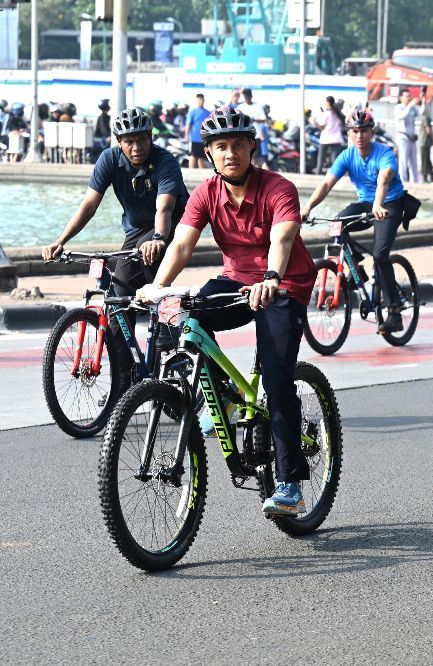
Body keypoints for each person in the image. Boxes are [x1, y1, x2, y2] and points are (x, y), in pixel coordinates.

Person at [140, 107, 317, 517]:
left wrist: (272, 276)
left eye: (239, 145)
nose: (231, 153)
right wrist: (159, 287)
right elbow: (182, 245)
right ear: (209, 154)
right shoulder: (205, 193)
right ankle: (227, 396)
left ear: (252, 147)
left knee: (276, 380)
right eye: (221, 147)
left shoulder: (279, 187)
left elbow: (284, 236)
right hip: (236, 280)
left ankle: (290, 482)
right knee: (188, 316)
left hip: (283, 286)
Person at [42, 108, 187, 295]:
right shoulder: (109, 159)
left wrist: (158, 238)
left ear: (150, 137)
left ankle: (163, 316)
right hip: (137, 228)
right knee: (120, 290)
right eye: (129, 142)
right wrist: (60, 241)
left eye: (141, 139)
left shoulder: (165, 161)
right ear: (119, 142)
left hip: (172, 224)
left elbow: (165, 208)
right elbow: (89, 205)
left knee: (149, 264)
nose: (136, 147)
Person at [300, 109, 409, 332]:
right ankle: (356, 268)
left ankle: (395, 311)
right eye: (355, 131)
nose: (360, 136)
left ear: (371, 132)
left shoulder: (384, 153)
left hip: (390, 204)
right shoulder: (347, 156)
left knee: (380, 255)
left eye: (364, 131)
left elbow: (383, 181)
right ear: (349, 133)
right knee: (336, 224)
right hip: (366, 204)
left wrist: (379, 205)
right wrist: (307, 208)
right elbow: (326, 184)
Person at [395, 89, 421, 184]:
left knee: (414, 161)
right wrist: (410, 105)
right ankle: (402, 181)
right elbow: (402, 115)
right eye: (406, 96)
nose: (409, 98)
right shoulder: (398, 108)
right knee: (403, 161)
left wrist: (423, 99)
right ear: (401, 97)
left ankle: (415, 181)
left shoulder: (412, 108)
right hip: (402, 136)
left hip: (412, 137)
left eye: (410, 96)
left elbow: (421, 112)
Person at [316, 97, 345, 174]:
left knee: (321, 158)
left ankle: (318, 173)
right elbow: (341, 124)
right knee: (334, 159)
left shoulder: (325, 114)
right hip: (336, 139)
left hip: (325, 139)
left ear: (328, 103)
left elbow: (322, 126)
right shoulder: (337, 113)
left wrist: (315, 123)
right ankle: (335, 175)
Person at [184, 93, 211, 169]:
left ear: (204, 100)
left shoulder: (207, 113)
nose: (200, 101)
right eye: (199, 99)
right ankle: (190, 171)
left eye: (202, 99)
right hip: (194, 138)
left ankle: (201, 174)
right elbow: (188, 125)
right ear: (197, 101)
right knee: (193, 156)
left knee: (202, 157)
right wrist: (186, 136)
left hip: (203, 138)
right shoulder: (192, 112)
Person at [418, 104, 433, 183]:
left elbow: (428, 130)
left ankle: (425, 176)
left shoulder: (424, 118)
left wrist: (432, 138)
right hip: (426, 142)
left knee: (424, 160)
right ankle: (431, 176)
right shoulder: (426, 118)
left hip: (424, 141)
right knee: (427, 159)